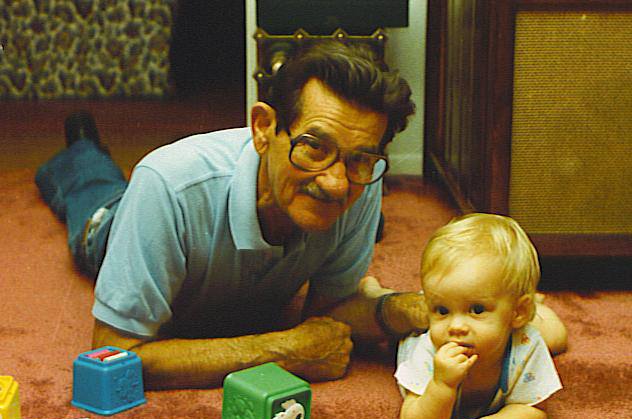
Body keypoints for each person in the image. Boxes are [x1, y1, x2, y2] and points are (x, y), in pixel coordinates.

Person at [35, 41, 427, 389]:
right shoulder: (167, 184)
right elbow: (115, 355)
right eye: (314, 147)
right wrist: (282, 352)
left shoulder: (364, 180)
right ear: (263, 128)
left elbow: (327, 313)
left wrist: (400, 309)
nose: (337, 184)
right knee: (94, 191)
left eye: (359, 159)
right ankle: (82, 149)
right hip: (117, 223)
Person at [396, 213, 566, 419]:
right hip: (412, 322)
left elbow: (533, 409)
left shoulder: (525, 344)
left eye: (477, 309)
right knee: (401, 312)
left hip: (516, 322)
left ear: (518, 312)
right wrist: (442, 386)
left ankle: (534, 307)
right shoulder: (429, 350)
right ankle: (374, 291)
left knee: (557, 337)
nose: (456, 326)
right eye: (442, 310)